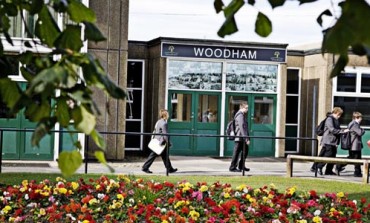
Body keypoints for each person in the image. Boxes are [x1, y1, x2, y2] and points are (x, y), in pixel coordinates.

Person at [312, 107, 349, 175]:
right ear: (335, 113)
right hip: (328, 141)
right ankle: (319, 167)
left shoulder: (335, 120)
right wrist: (342, 131)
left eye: (340, 115)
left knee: (332, 156)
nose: (339, 116)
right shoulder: (330, 119)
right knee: (328, 155)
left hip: (333, 141)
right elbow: (332, 129)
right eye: (338, 114)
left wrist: (342, 131)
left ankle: (328, 171)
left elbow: (337, 129)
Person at [142, 109, 178, 174]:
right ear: (166, 115)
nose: (169, 115)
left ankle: (170, 169)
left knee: (165, 156)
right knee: (153, 155)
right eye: (168, 114)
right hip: (160, 142)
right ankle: (145, 167)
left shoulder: (159, 121)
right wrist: (168, 143)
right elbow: (165, 134)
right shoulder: (164, 123)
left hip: (157, 140)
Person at [336, 112, 365, 177]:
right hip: (355, 145)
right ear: (357, 117)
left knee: (354, 158)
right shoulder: (355, 124)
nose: (361, 119)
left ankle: (357, 172)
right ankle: (340, 166)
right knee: (356, 159)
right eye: (360, 118)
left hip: (353, 145)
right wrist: (363, 130)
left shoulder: (351, 123)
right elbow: (360, 133)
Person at [229, 102, 250, 172]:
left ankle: (241, 166)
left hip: (241, 137)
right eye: (246, 108)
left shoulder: (242, 115)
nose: (247, 109)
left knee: (245, 151)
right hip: (240, 137)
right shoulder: (240, 115)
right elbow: (242, 127)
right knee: (236, 152)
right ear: (242, 108)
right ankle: (232, 167)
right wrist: (246, 138)